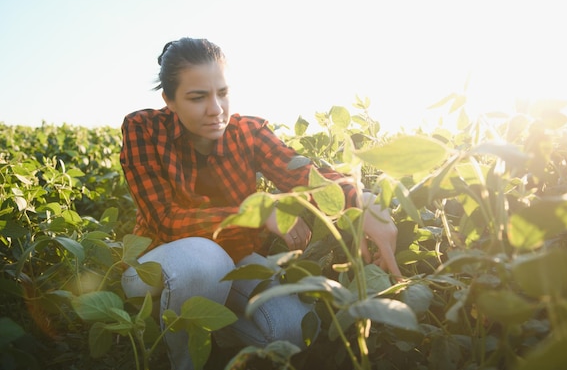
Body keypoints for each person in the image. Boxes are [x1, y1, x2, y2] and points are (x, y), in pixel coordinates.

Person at [119, 37, 401, 370]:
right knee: (205, 261)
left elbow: (304, 175)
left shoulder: (247, 132)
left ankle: (208, 331)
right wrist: (257, 213)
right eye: (197, 97)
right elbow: (167, 221)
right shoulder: (143, 128)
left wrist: (359, 202)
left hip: (233, 258)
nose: (215, 109)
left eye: (222, 93)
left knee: (293, 329)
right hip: (157, 265)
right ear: (169, 100)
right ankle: (182, 359)